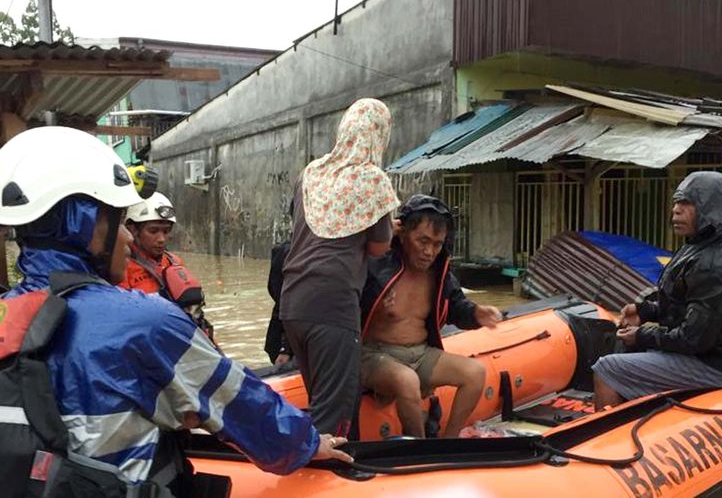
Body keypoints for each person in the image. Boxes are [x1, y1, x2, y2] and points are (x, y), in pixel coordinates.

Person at [0, 127, 351, 495]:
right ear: (85, 222)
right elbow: (238, 404)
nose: (129, 237)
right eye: (120, 221)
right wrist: (307, 444)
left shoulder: (11, 315)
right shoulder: (143, 323)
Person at [280, 98, 401, 437]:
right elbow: (379, 247)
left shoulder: (311, 173)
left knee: (321, 400)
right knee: (334, 419)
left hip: (293, 303)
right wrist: (390, 226)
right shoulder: (372, 180)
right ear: (380, 135)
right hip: (332, 305)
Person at [592, 171, 722, 410]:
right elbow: (690, 306)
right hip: (719, 355)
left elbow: (694, 339)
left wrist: (642, 335)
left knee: (607, 368)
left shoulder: (717, 262)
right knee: (629, 348)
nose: (676, 210)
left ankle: (595, 441)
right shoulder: (702, 247)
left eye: (687, 203)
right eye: (676, 202)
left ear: (713, 209)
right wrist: (646, 311)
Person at [360, 194, 504, 438]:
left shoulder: (439, 270)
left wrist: (477, 313)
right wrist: (375, 305)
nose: (429, 251)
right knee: (407, 381)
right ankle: (420, 449)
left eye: (437, 244)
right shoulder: (375, 263)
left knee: (475, 373)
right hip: (374, 354)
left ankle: (447, 442)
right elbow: (344, 306)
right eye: (422, 241)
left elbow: (457, 305)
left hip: (421, 352)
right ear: (402, 234)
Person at [119, 192, 214, 340]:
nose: (161, 239)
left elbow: (195, 314)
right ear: (132, 230)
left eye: (166, 231)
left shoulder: (174, 262)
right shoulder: (121, 267)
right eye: (153, 231)